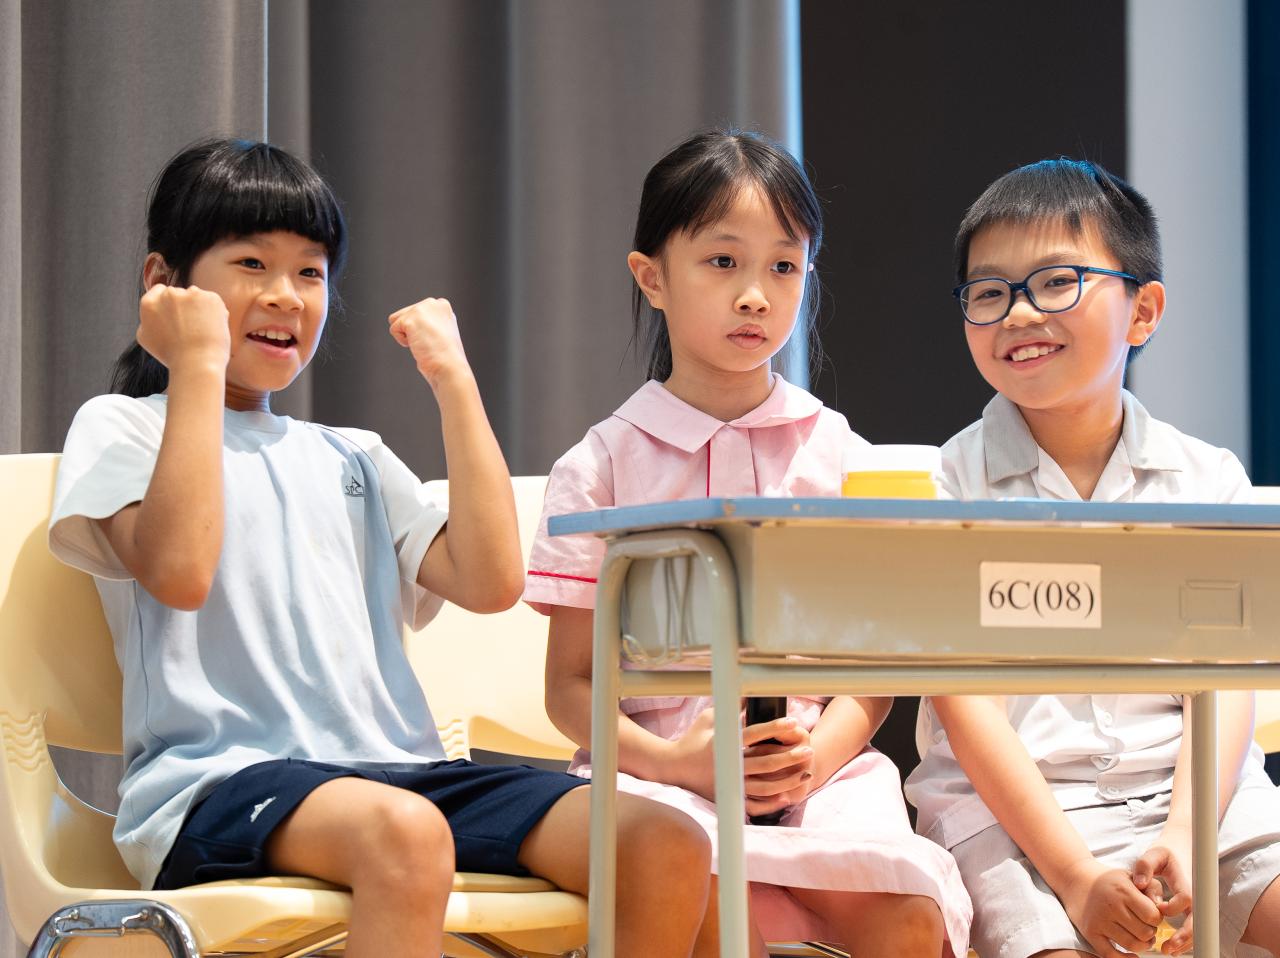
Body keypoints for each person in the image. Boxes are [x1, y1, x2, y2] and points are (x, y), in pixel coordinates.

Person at [48, 137, 711, 958]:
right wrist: (196, 364)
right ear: (164, 282)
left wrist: (453, 380)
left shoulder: (353, 455)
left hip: (401, 777)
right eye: (251, 263)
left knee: (662, 841)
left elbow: (492, 581)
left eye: (311, 272)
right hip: (214, 786)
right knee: (407, 832)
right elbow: (181, 572)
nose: (285, 295)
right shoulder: (122, 427)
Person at [525, 128, 972, 958]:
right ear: (651, 277)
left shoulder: (843, 456)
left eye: (784, 266)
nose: (756, 295)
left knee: (909, 916)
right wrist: (678, 763)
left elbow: (870, 676)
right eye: (723, 262)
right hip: (656, 775)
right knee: (694, 893)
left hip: (819, 775)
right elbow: (570, 687)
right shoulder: (601, 465)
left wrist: (816, 758)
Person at [905, 157, 1280, 958]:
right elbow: (964, 710)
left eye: (1056, 282)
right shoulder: (942, 488)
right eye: (989, 292)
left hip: (1200, 804)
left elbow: (1225, 679)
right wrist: (1077, 877)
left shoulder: (1208, 479)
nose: (1018, 313)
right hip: (1007, 819)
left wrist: (1184, 835)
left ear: (1143, 311)